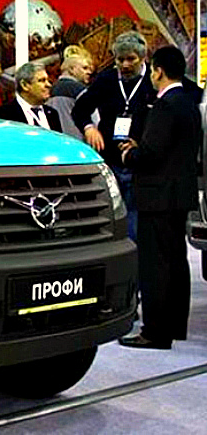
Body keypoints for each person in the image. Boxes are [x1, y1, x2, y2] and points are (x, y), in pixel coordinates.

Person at [117, 46, 201, 349]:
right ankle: (175, 325)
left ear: (158, 70)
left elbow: (151, 154)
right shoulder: (189, 103)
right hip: (179, 195)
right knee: (176, 261)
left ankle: (155, 331)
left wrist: (129, 154)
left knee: (155, 265)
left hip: (157, 196)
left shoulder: (165, 106)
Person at [71, 31, 155, 241]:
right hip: (110, 158)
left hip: (140, 162)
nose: (125, 65)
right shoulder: (106, 79)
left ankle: (134, 254)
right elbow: (80, 109)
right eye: (120, 60)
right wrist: (89, 128)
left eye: (131, 59)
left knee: (136, 218)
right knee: (111, 214)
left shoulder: (152, 81)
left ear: (143, 57)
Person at [0, 62, 62, 132]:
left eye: (47, 80)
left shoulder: (52, 114)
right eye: (42, 81)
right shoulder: (3, 115)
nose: (48, 85)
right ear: (24, 85)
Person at [46, 54, 92, 139]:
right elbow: (95, 119)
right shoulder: (80, 90)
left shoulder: (48, 91)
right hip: (78, 141)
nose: (89, 72)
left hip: (55, 139)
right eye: (85, 68)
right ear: (72, 69)